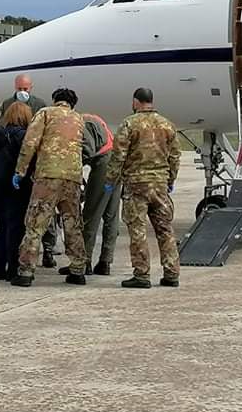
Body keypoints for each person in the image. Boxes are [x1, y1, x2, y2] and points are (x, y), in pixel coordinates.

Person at [105, 87, 181, 289]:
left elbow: (118, 155)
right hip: (160, 185)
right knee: (165, 230)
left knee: (137, 230)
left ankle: (141, 274)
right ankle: (172, 273)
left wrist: (110, 181)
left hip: (136, 186)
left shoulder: (129, 124)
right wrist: (170, 180)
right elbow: (175, 157)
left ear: (136, 102)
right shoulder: (168, 125)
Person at [10, 88, 87, 287]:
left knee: (36, 223)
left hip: (48, 176)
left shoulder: (45, 113)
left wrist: (20, 170)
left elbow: (30, 143)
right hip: (72, 178)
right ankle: (78, 269)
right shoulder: (79, 119)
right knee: (73, 224)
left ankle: (26, 271)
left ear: (55, 100)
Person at [0, 73, 55, 268]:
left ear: (31, 88)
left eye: (25, 89)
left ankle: (48, 249)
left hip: (32, 169)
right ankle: (16, 258)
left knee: (44, 214)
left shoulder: (40, 105)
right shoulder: (6, 104)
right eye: (19, 89)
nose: (22, 93)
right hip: (16, 170)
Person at [59, 112, 119, 276]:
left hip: (104, 165)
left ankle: (84, 262)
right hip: (117, 162)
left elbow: (88, 150)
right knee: (111, 216)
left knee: (91, 215)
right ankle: (106, 261)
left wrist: (72, 170)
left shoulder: (78, 123)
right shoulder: (89, 117)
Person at [0, 101, 33, 280]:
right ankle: (13, 268)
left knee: (1, 226)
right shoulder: (22, 137)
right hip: (14, 186)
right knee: (16, 227)